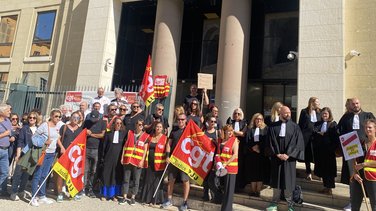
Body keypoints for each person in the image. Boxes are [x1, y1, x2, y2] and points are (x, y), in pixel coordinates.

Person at [338, 97, 375, 211]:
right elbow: (340, 131)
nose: (355, 105)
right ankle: (352, 201)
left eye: (357, 103)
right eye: (353, 104)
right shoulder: (346, 117)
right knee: (353, 179)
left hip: (367, 154)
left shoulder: (368, 115)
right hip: (352, 149)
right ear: (350, 105)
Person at [266, 106, 305, 211]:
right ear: (280, 113)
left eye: (289, 112)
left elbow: (298, 143)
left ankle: (290, 204)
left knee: (289, 181)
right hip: (276, 158)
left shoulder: (295, 127)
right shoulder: (273, 127)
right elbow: (270, 142)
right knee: (276, 181)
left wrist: (289, 154)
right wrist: (277, 154)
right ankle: (274, 202)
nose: (288, 114)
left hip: (290, 159)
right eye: (286, 113)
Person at [30, 109, 64, 206]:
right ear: (51, 116)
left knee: (44, 175)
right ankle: (33, 197)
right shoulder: (45, 125)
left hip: (51, 153)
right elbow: (34, 137)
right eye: (56, 116)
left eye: (59, 117)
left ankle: (42, 195)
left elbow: (57, 138)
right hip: (43, 153)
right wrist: (44, 142)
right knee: (37, 174)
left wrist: (61, 147)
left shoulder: (57, 126)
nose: (57, 118)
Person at [162, 114, 190, 210]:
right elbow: (168, 144)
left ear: (186, 120)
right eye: (178, 119)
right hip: (174, 159)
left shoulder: (189, 130)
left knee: (185, 180)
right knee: (171, 179)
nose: (180, 121)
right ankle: (169, 199)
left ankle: (185, 202)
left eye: (182, 119)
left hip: (184, 160)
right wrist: (167, 156)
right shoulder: (174, 130)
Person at [10, 111, 39, 201]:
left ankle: (21, 190)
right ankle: (14, 192)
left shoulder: (39, 129)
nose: (31, 119)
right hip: (24, 153)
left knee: (26, 174)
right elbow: (20, 142)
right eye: (30, 117)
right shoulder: (24, 129)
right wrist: (18, 155)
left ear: (36, 119)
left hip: (33, 155)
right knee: (18, 173)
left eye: (34, 118)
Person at [119, 119, 149, 205]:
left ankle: (133, 197)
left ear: (143, 126)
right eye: (138, 124)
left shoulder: (146, 136)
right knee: (126, 179)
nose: (140, 126)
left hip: (138, 161)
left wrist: (142, 161)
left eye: (141, 125)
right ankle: (124, 197)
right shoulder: (129, 133)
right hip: (128, 159)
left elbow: (145, 150)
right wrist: (122, 157)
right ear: (136, 125)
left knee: (136, 180)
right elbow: (125, 146)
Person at [55, 112, 83, 202]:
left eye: (77, 118)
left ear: (79, 119)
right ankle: (59, 193)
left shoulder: (80, 129)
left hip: (74, 156)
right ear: (70, 118)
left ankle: (72, 192)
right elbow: (58, 139)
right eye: (74, 117)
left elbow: (82, 143)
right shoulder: (64, 127)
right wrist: (62, 147)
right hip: (64, 154)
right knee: (61, 174)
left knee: (72, 174)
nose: (75, 119)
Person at [140, 122, 168, 205]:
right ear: (155, 128)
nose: (158, 128)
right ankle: (147, 199)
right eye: (157, 127)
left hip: (159, 164)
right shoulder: (150, 137)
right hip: (149, 163)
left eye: (160, 127)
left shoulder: (165, 138)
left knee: (156, 182)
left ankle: (155, 200)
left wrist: (167, 157)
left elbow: (167, 150)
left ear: (162, 129)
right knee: (148, 181)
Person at [312, 107, 338, 195]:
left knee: (329, 171)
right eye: (323, 114)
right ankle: (325, 187)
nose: (324, 115)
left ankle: (329, 188)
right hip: (320, 151)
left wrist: (325, 135)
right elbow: (314, 134)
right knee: (323, 170)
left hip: (329, 152)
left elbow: (335, 138)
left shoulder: (333, 124)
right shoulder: (317, 124)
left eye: (326, 114)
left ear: (329, 114)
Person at [352, 119, 376, 211]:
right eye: (366, 127)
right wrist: (355, 173)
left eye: (370, 127)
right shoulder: (360, 143)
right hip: (359, 178)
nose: (367, 129)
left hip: (373, 178)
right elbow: (354, 160)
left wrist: (364, 164)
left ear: (375, 129)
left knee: (374, 205)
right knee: (354, 206)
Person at [100, 117, 126, 202]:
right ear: (114, 124)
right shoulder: (108, 134)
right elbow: (104, 147)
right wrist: (103, 158)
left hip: (118, 159)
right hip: (108, 157)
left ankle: (114, 195)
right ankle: (104, 194)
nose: (118, 125)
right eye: (117, 123)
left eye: (120, 123)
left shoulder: (123, 134)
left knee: (116, 176)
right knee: (106, 175)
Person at [215, 124, 239, 211]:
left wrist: (226, 163)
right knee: (218, 185)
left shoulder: (234, 140)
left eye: (231, 131)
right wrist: (218, 163)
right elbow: (217, 153)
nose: (230, 132)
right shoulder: (220, 140)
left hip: (231, 169)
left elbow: (235, 154)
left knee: (229, 191)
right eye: (228, 130)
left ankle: (227, 209)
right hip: (221, 168)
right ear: (224, 131)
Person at [83, 110, 106, 198]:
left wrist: (91, 134)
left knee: (93, 171)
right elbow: (82, 133)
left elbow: (102, 135)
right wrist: (86, 132)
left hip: (96, 150)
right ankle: (84, 188)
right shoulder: (87, 122)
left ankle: (91, 188)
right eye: (92, 118)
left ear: (98, 117)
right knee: (85, 170)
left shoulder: (103, 122)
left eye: (95, 118)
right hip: (86, 148)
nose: (93, 120)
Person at [246, 113, 269, 197]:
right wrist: (252, 148)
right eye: (257, 119)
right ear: (254, 120)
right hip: (252, 154)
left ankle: (258, 190)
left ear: (262, 120)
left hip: (261, 154)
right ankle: (253, 190)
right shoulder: (250, 129)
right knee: (253, 172)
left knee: (260, 172)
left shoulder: (266, 129)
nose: (259, 120)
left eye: (260, 119)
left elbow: (267, 141)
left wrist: (259, 147)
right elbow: (247, 141)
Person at [298, 97, 321, 180]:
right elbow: (300, 124)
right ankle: (308, 172)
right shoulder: (304, 111)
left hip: (316, 136)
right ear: (312, 103)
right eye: (317, 102)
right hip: (306, 136)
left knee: (316, 154)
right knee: (307, 154)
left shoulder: (320, 112)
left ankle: (318, 172)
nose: (318, 103)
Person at [226, 108, 247, 191]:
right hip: (231, 145)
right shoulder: (230, 121)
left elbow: (243, 134)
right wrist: (236, 133)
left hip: (241, 146)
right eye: (235, 113)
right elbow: (228, 132)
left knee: (240, 165)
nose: (236, 115)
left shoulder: (244, 122)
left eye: (238, 113)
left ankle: (238, 186)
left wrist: (233, 131)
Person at [202, 115, 221, 204]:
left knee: (213, 179)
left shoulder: (217, 132)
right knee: (205, 178)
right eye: (211, 121)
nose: (213, 123)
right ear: (208, 122)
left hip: (213, 159)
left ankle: (215, 196)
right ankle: (205, 195)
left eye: (214, 122)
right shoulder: (203, 131)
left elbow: (219, 145)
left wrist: (212, 140)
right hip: (204, 158)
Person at [0, 104, 12, 196]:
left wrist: (11, 137)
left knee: (5, 172)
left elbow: (10, 132)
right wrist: (4, 135)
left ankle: (3, 190)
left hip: (5, 150)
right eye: (8, 111)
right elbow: (5, 133)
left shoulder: (8, 121)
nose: (10, 112)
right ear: (2, 112)